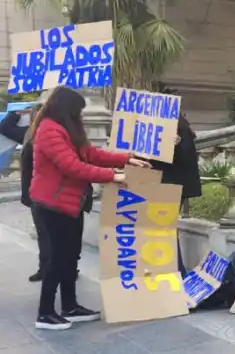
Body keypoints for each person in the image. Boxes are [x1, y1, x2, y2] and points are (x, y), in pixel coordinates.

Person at [29, 87, 149, 330]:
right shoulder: (49, 130)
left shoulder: (66, 129)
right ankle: (45, 313)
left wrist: (126, 158)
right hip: (53, 204)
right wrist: (114, 176)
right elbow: (72, 167)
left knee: (71, 256)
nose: (80, 116)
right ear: (67, 109)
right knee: (57, 258)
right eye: (78, 111)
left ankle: (70, 307)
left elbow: (90, 154)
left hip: (71, 202)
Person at [150, 111, 202, 276]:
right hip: (159, 185)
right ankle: (173, 271)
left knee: (164, 232)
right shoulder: (153, 129)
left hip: (169, 186)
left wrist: (177, 145)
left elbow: (187, 160)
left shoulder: (179, 130)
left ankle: (178, 273)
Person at [0, 102, 46, 282]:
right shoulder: (28, 134)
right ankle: (46, 268)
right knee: (44, 234)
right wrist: (16, 112)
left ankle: (65, 268)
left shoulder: (55, 135)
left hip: (51, 193)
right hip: (35, 192)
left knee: (55, 235)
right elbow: (5, 126)